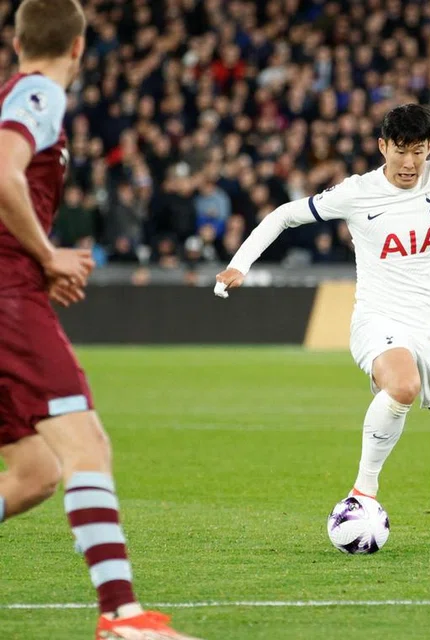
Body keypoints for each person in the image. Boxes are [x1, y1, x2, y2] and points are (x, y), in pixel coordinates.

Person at [215, 104, 430, 547]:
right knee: (402, 385)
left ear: (429, 148)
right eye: (400, 151)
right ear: (383, 147)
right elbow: (284, 214)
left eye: (418, 151)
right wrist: (238, 265)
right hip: (378, 318)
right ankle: (363, 492)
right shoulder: (357, 192)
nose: (409, 163)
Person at [0, 1, 198, 638]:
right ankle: (121, 613)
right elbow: (3, 175)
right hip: (7, 295)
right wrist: (43, 254)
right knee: (87, 447)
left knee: (35, 473)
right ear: (81, 47)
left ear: (17, 38)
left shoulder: (16, 89)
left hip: (13, 288)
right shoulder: (38, 92)